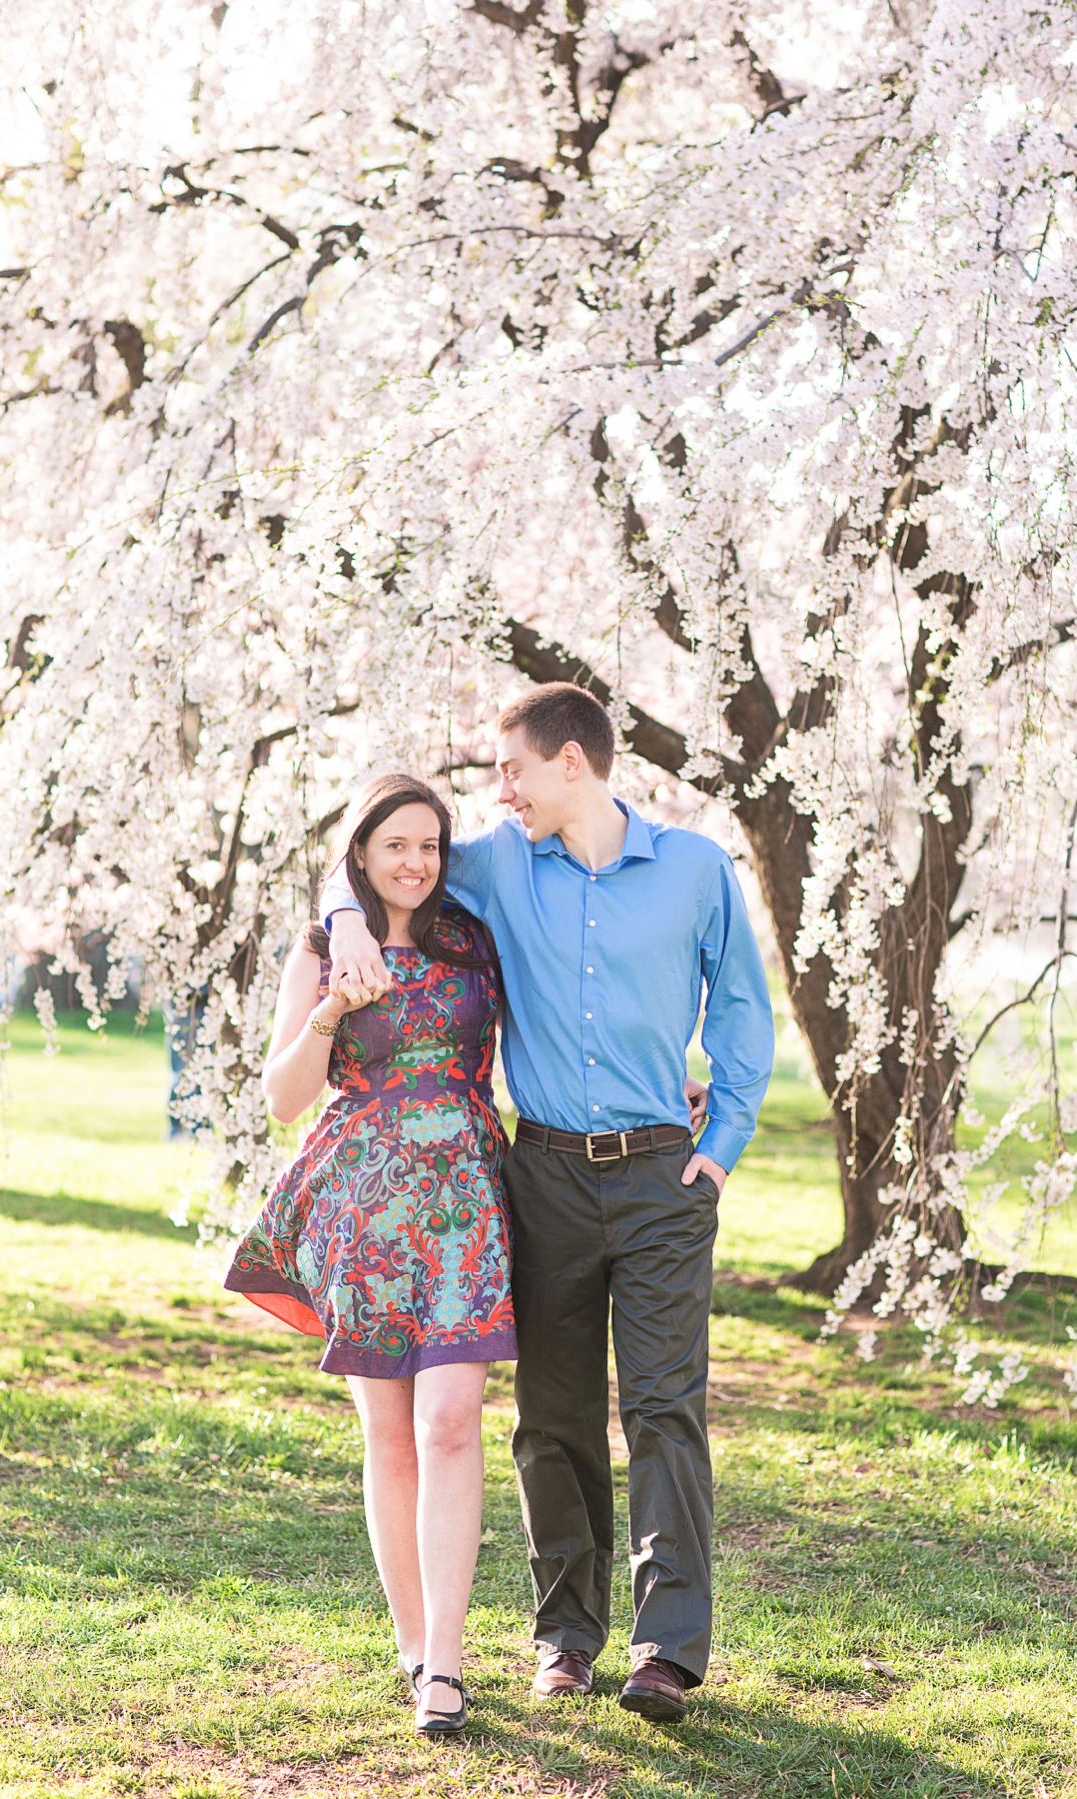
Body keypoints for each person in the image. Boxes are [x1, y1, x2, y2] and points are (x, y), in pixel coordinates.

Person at [323, 685, 774, 1723]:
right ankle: (566, 1636)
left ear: (572, 762)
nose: (500, 791)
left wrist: (724, 1142)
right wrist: (346, 914)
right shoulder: (496, 862)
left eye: (512, 771)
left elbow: (745, 1012)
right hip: (547, 1172)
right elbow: (369, 845)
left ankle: (666, 1646)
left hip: (665, 1173)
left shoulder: (698, 870)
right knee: (553, 1415)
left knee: (665, 1404)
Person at [224, 774, 515, 1739]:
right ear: (361, 850)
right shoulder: (318, 949)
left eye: (430, 844)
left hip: (465, 1199)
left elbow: (546, 1033)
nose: (416, 861)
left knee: (451, 1420)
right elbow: (282, 1098)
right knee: (391, 1436)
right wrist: (328, 1013)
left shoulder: (473, 938)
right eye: (397, 843)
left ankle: (453, 1659)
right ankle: (417, 1648)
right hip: (363, 1204)